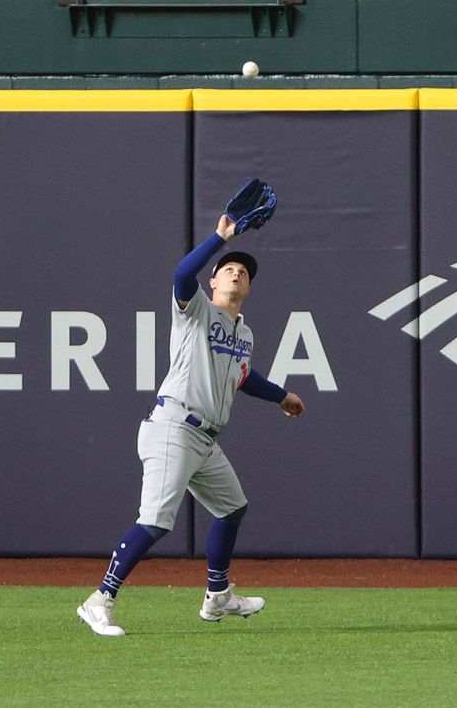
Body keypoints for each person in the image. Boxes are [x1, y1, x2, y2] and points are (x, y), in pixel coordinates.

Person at [75, 208, 304, 638]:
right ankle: (99, 599)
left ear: (249, 287)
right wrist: (218, 240)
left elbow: (242, 377)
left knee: (233, 508)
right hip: (174, 426)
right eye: (228, 270)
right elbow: (182, 275)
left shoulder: (245, 334)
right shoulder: (195, 310)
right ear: (214, 282)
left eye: (243, 272)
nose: (236, 274)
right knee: (156, 521)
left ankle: (218, 595)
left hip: (205, 439)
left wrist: (281, 397)